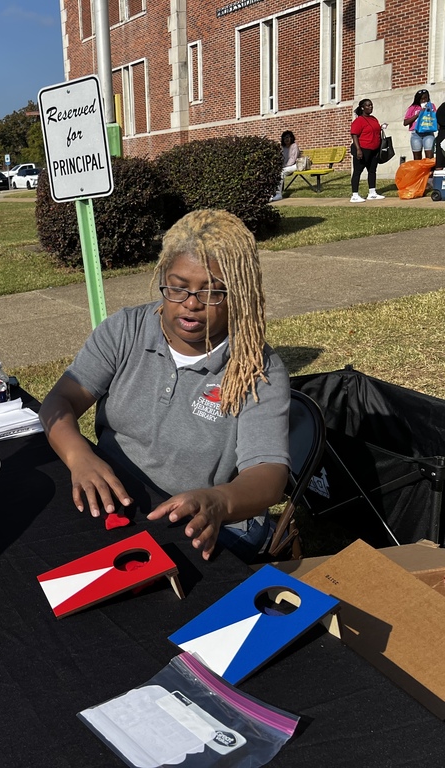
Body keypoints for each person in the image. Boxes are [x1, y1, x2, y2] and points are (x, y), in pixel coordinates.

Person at [38, 209, 290, 563]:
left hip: (196, 520)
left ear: (240, 295)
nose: (191, 304)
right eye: (178, 287)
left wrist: (218, 501)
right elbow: (59, 401)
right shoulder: (125, 329)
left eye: (212, 293)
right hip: (117, 493)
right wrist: (79, 456)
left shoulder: (255, 368)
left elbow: (269, 474)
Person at [350, 98, 386, 202]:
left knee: (372, 171)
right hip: (363, 149)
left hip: (374, 149)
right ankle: (355, 195)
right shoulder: (359, 120)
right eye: (368, 105)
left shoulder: (373, 119)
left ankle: (372, 192)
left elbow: (374, 130)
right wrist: (358, 149)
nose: (370, 107)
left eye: (371, 105)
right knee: (358, 171)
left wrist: (381, 127)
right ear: (362, 108)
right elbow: (354, 135)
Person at [403, 89, 437, 160]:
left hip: (428, 133)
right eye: (421, 99)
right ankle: (419, 171)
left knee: (429, 157)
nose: (424, 100)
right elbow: (405, 122)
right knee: (417, 158)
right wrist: (418, 114)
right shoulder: (413, 108)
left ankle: (429, 171)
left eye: (425, 98)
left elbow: (435, 118)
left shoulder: (432, 106)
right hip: (416, 134)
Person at [270, 130, 299, 202]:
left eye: (288, 137)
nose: (286, 139)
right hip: (285, 167)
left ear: (291, 138)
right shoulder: (283, 148)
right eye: (284, 138)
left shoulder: (294, 146)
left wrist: (285, 166)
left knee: (281, 172)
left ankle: (278, 194)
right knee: (274, 172)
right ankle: (271, 193)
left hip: (295, 165)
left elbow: (293, 159)